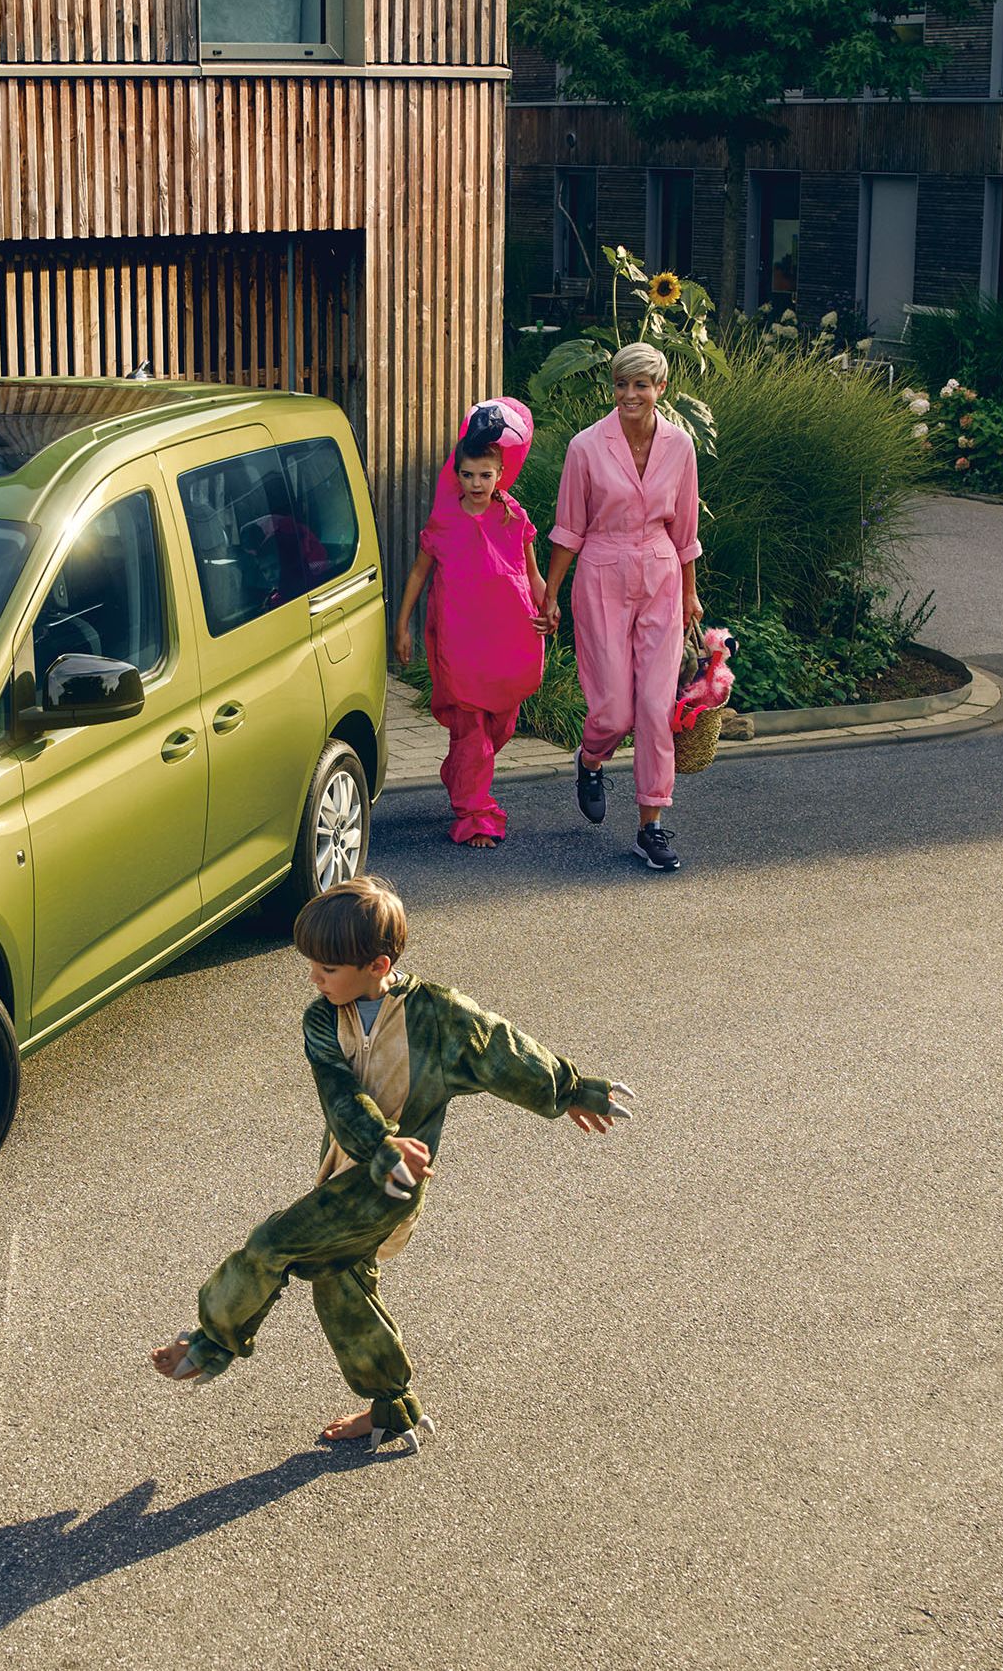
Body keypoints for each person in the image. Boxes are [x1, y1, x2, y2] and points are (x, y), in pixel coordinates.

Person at [149, 877, 632, 1450]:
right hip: (348, 1167)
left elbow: (506, 1050)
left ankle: (210, 1344)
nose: (314, 979)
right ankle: (393, 1407)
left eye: (326, 969)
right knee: (339, 1284)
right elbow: (338, 1094)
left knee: (272, 1244)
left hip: (395, 1184)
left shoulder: (441, 1017)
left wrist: (571, 1088)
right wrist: (376, 1143)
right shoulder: (322, 1019)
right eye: (312, 966)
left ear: (378, 965)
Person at [540, 343, 705, 872]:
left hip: (660, 571)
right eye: (621, 385)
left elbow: (685, 530)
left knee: (656, 710)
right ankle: (590, 761)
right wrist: (550, 594)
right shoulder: (585, 447)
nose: (630, 394)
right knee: (612, 709)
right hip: (601, 573)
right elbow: (568, 529)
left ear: (661, 388)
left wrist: (689, 592)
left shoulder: (681, 446)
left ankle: (650, 827)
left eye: (641, 385)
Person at [394, 399, 553, 847]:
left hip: (510, 636)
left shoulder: (514, 515)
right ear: (456, 474)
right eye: (467, 475)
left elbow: (532, 573)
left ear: (500, 473)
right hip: (460, 639)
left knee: (500, 723)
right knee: (472, 726)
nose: (476, 483)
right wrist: (402, 625)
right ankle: (475, 815)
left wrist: (549, 606)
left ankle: (461, 771)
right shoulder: (444, 519)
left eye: (485, 475)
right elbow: (419, 573)